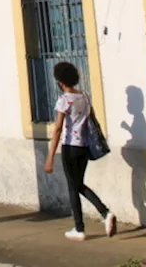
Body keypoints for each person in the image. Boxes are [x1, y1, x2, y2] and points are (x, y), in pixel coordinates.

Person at [43, 61, 118, 241]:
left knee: (74, 186)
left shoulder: (64, 100)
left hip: (69, 147)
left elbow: (59, 128)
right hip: (83, 147)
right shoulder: (84, 97)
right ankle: (87, 223)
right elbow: (93, 119)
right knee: (77, 184)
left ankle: (90, 221)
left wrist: (50, 157)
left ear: (60, 81)